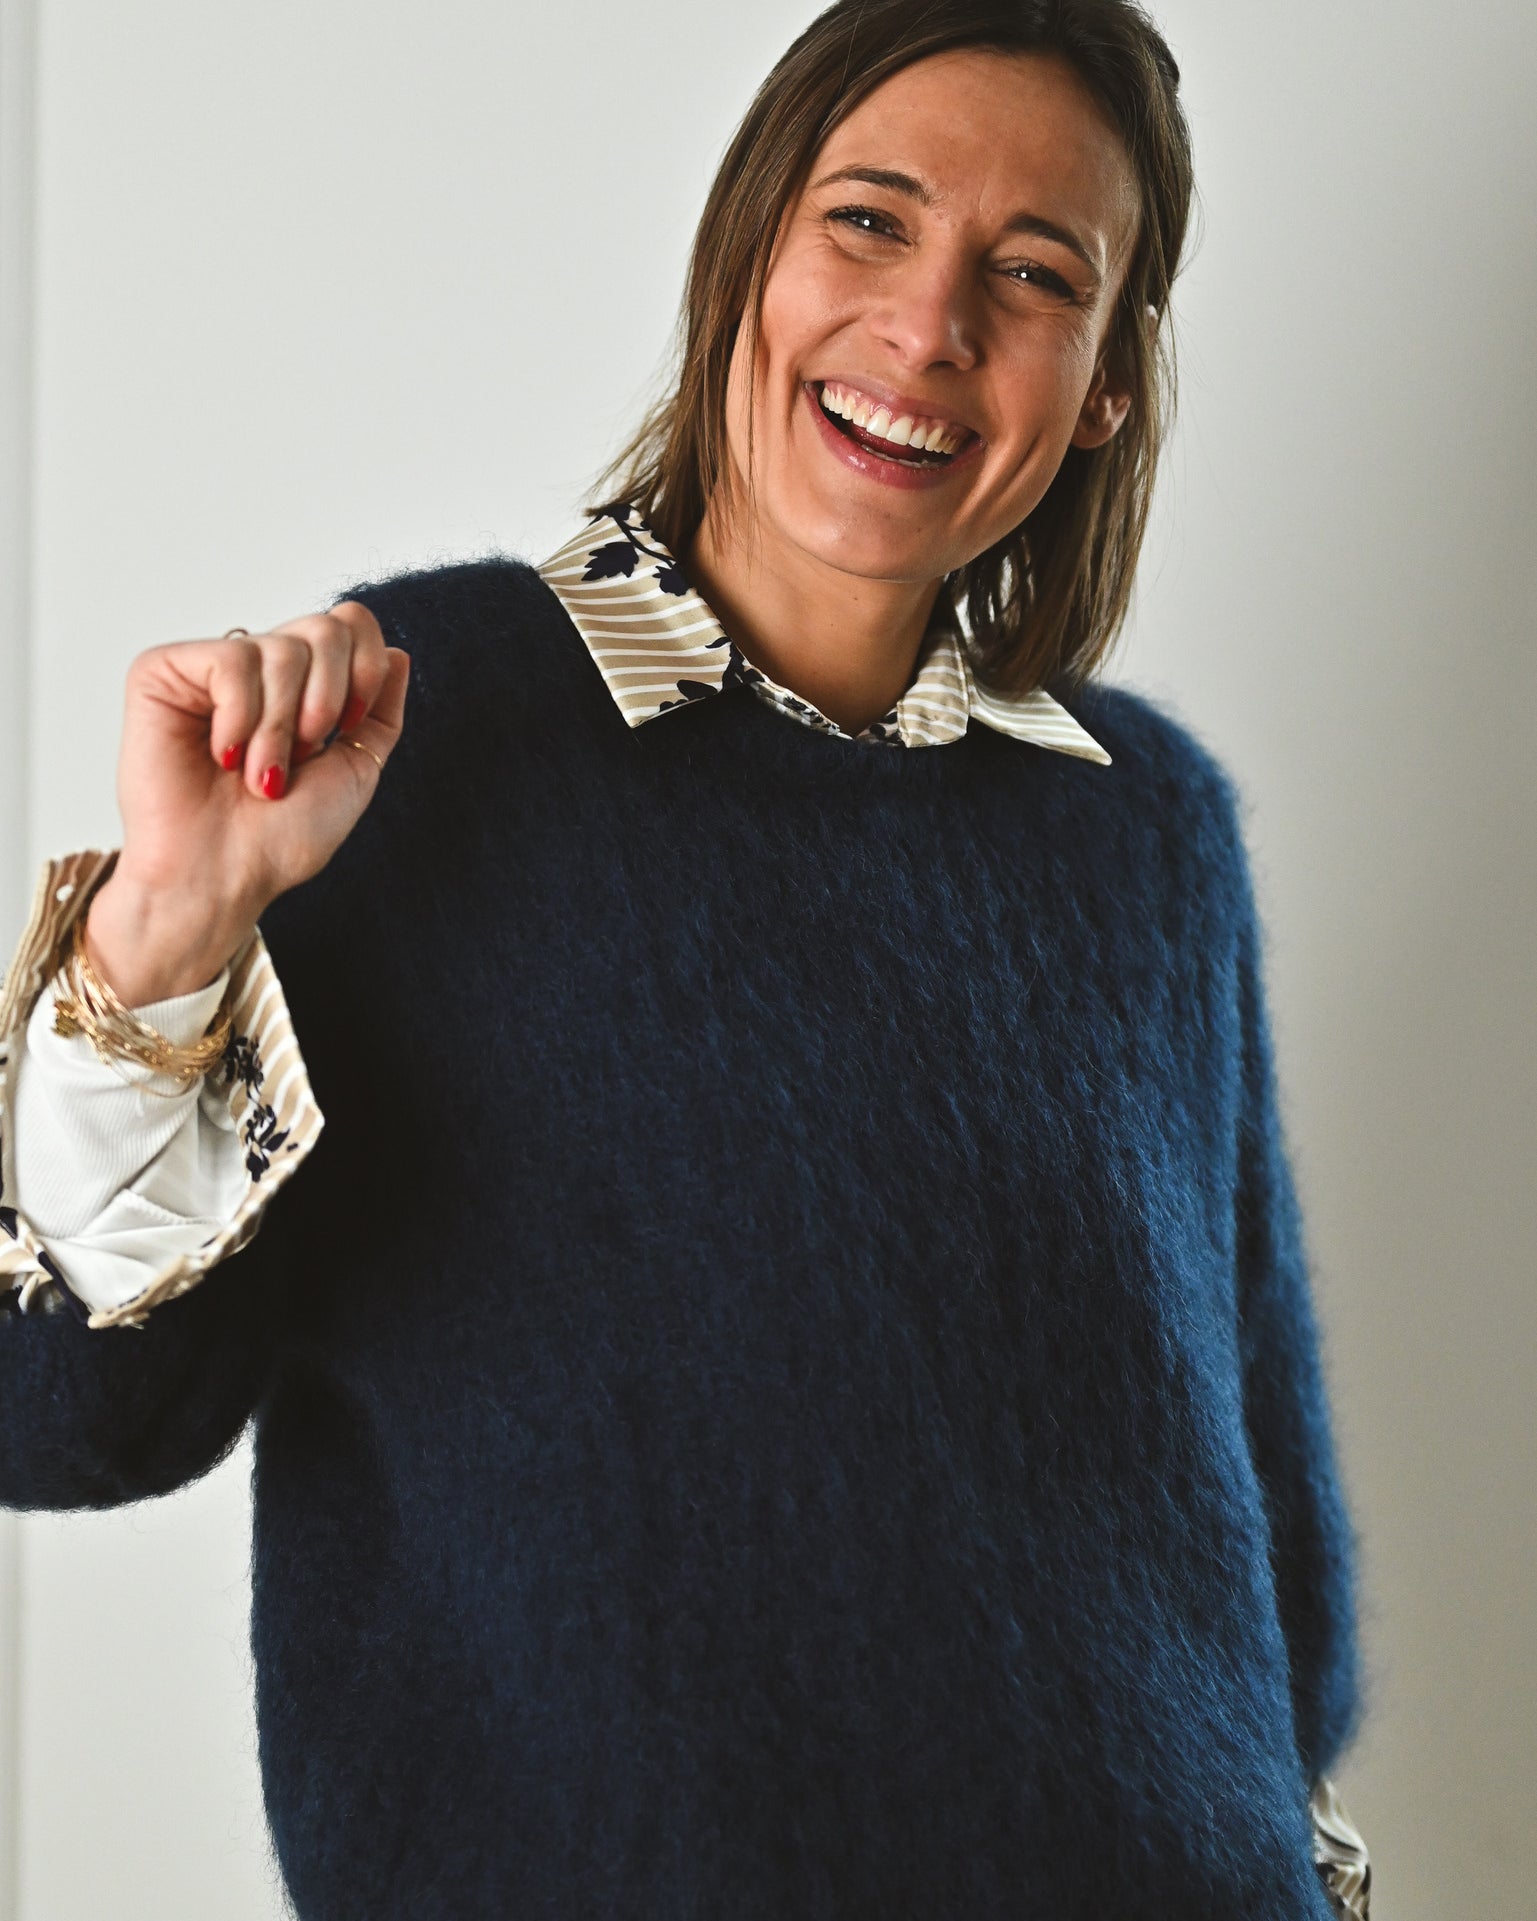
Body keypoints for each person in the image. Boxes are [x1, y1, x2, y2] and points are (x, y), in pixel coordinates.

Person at [0, 1, 1373, 1914]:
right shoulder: (408, 734)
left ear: (1104, 389)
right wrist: (168, 932)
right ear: (745, 255)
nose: (930, 325)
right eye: (869, 221)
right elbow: (58, 1418)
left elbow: (1267, 1539)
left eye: (1035, 274)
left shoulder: (1144, 827)